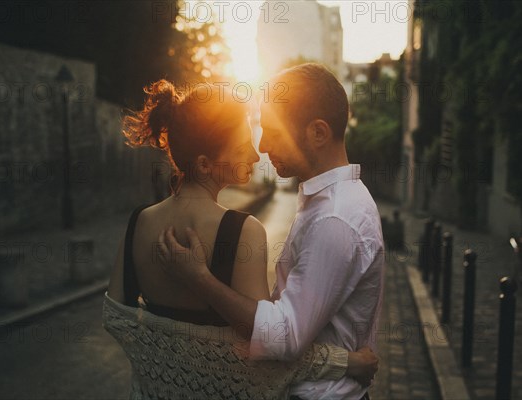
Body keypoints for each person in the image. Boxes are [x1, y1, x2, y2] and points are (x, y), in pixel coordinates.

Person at [103, 79, 378, 399]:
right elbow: (268, 353)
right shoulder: (242, 232)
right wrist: (343, 362)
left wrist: (162, 368)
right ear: (205, 164)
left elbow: (115, 318)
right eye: (241, 146)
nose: (255, 151)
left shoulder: (139, 222)